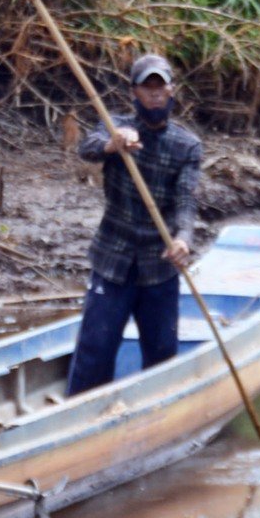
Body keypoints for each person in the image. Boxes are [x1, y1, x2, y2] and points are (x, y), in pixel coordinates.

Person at [68, 53, 200, 397]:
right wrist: (114, 143)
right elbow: (88, 148)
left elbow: (186, 203)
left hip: (160, 266)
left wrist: (183, 240)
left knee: (161, 356)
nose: (155, 94)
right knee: (94, 351)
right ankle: (80, 417)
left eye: (161, 87)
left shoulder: (187, 146)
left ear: (172, 91)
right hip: (113, 261)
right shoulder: (114, 127)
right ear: (134, 93)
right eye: (147, 87)